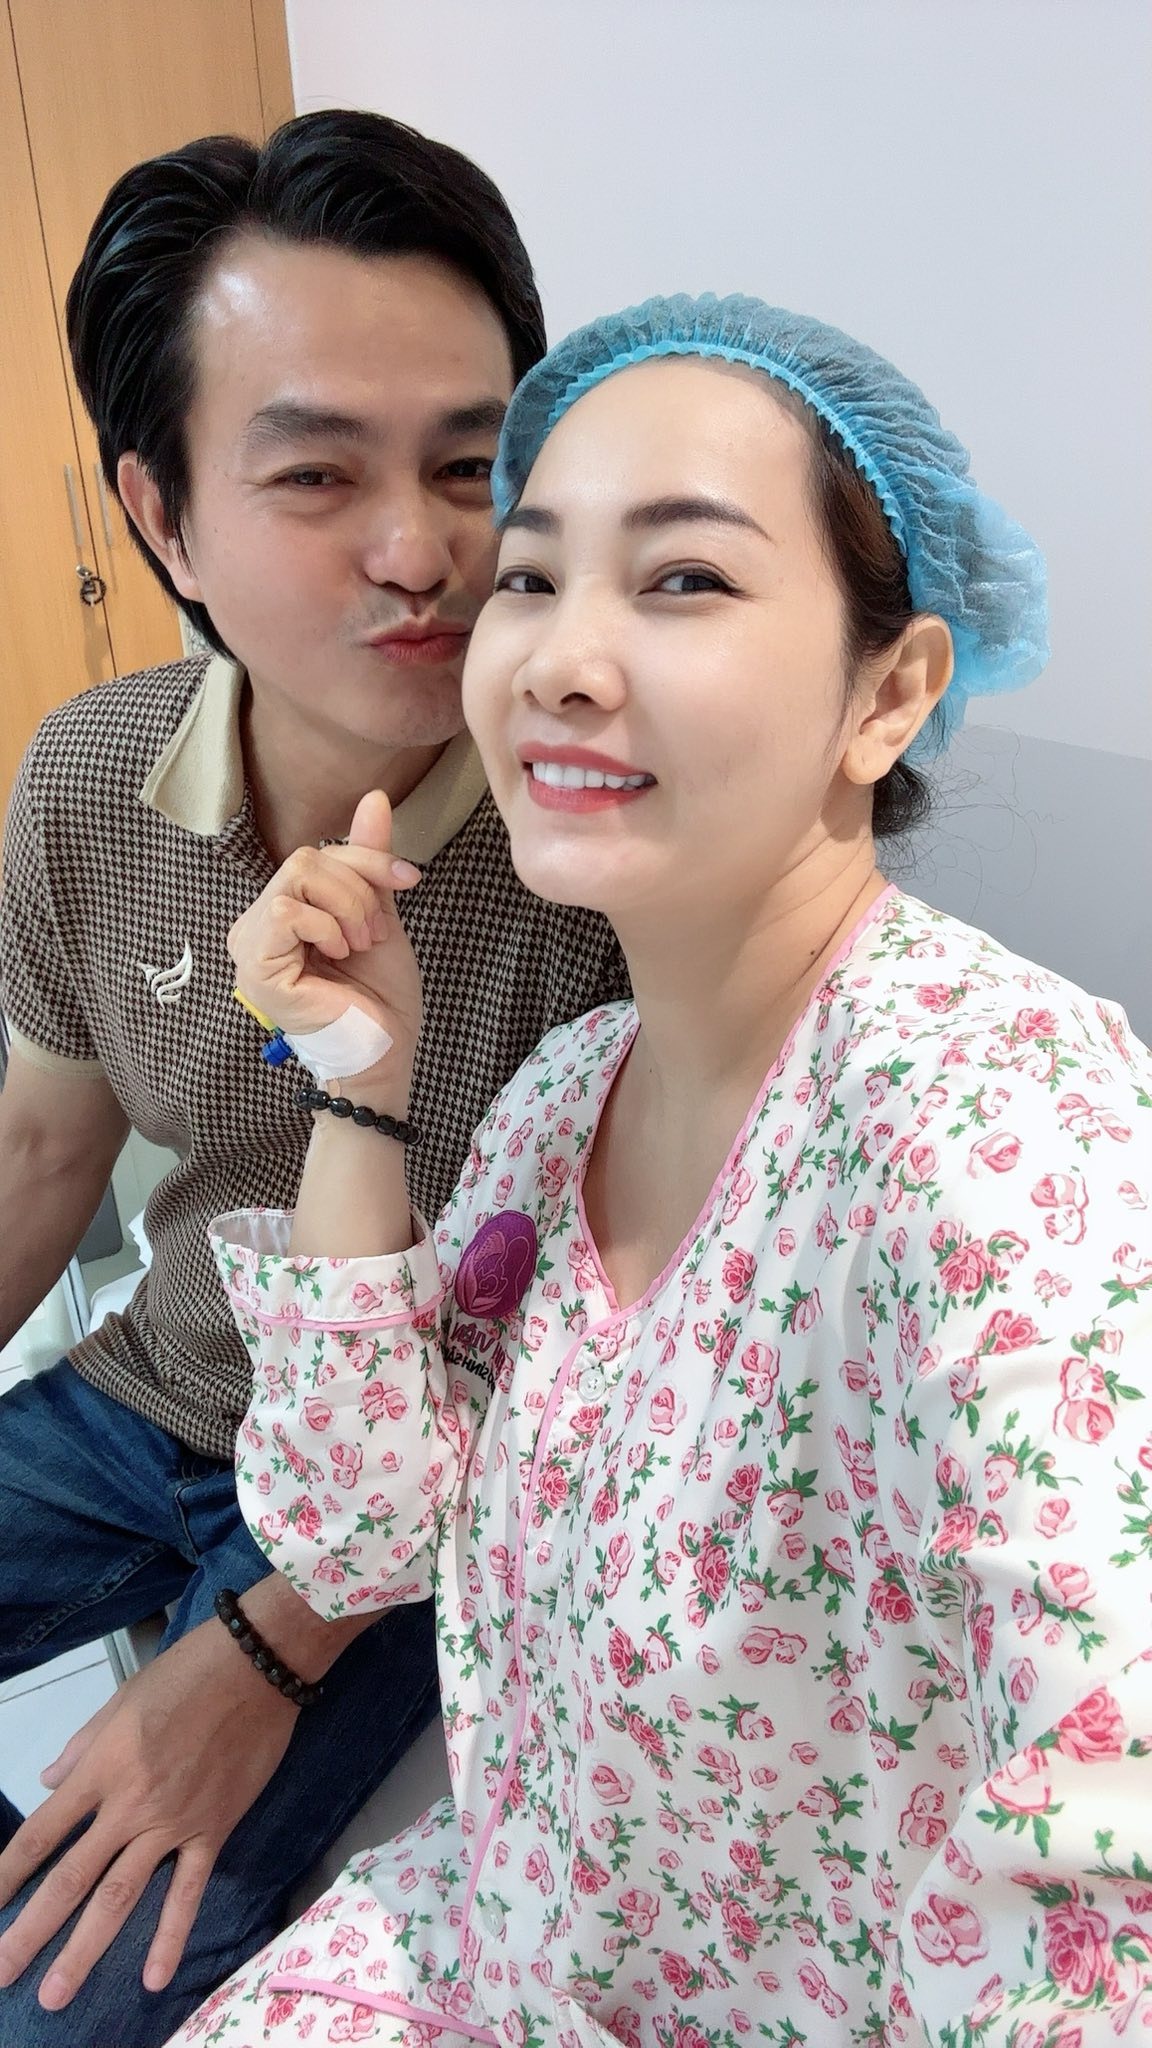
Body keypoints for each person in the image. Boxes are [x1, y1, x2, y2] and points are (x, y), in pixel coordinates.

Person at [170, 291, 1152, 2047]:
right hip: (496, 1939)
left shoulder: (996, 1129)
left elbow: (1108, 1835)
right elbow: (356, 1530)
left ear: (891, 693)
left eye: (683, 578)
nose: (557, 656)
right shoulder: (568, 1097)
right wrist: (361, 1089)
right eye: (531, 575)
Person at [0, 112, 627, 2046]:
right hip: (149, 1391)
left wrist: (260, 1663)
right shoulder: (90, 780)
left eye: (470, 465)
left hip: (411, 1512)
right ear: (162, 514)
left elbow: (565, 1382)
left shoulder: (605, 854)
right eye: (316, 473)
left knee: (62, 1999)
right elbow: (41, 1149)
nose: (422, 552)